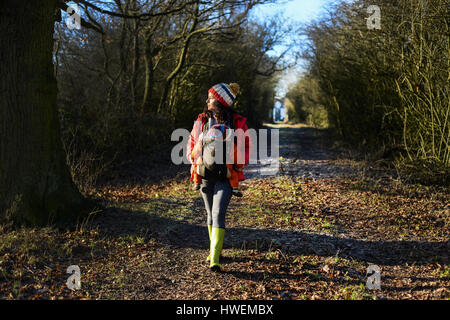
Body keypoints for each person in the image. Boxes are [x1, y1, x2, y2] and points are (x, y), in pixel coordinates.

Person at [187, 82, 252, 272]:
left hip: (226, 176)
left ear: (221, 102)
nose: (207, 100)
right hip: (205, 175)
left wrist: (238, 164)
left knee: (218, 213)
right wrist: (194, 159)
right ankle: (214, 251)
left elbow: (245, 146)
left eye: (211, 98)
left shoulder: (237, 122)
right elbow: (192, 142)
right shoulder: (202, 120)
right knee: (209, 214)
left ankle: (214, 259)